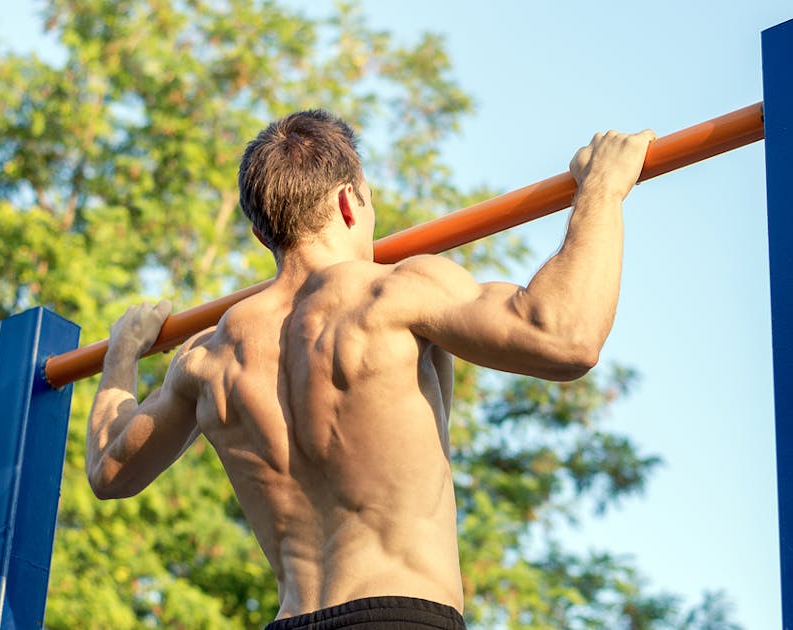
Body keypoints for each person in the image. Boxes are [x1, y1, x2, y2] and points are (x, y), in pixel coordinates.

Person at [87, 109, 655, 629]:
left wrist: (122, 354)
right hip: (403, 616)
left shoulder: (208, 356)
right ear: (349, 202)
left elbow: (111, 471)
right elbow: (565, 337)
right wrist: (603, 189)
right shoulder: (394, 293)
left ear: (263, 234)